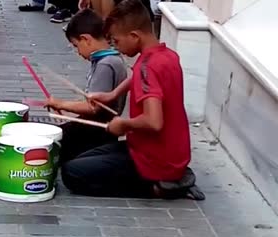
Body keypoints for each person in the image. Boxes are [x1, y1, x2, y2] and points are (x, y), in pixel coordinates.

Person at [61, 0, 204, 200]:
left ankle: (162, 187)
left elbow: (154, 122)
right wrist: (113, 94)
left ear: (134, 36)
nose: (116, 47)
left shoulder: (148, 67)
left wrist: (123, 124)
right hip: (159, 150)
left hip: (154, 160)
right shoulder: (166, 55)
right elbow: (138, 75)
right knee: (80, 159)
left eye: (117, 41)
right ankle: (173, 176)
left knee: (71, 173)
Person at [45, 9, 127, 164]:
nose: (77, 52)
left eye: (76, 46)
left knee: (49, 145)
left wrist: (61, 104)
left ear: (86, 39)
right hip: (97, 129)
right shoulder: (110, 59)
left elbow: (93, 108)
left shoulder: (106, 64)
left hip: (97, 132)